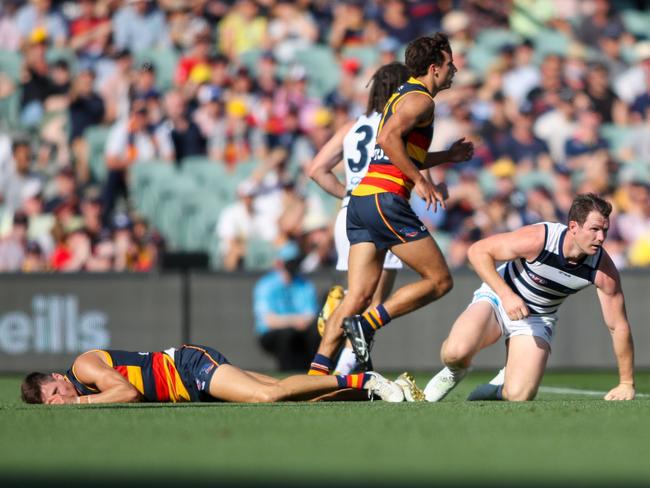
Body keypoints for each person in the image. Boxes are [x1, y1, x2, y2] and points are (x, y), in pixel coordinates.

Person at [307, 33, 474, 375]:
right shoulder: (422, 101)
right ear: (434, 68)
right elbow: (386, 139)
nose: (454, 69)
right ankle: (367, 325)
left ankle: (316, 373)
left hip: (361, 202)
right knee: (440, 281)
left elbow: (392, 151)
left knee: (356, 295)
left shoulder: (402, 95)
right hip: (387, 200)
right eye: (450, 63)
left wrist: (447, 156)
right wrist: (423, 181)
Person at [424, 193, 636, 402]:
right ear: (573, 227)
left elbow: (618, 326)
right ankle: (454, 371)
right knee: (455, 353)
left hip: (537, 318)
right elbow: (477, 251)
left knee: (519, 395)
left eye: (604, 230)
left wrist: (626, 383)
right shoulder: (539, 239)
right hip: (498, 299)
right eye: (595, 229)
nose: (601, 238)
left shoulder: (603, 269)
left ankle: (499, 385)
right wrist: (506, 296)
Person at [307, 61, 411, 374]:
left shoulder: (351, 126)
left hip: (350, 213)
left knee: (361, 295)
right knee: (376, 302)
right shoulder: (398, 123)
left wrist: (347, 193)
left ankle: (331, 360)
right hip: (383, 209)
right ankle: (344, 369)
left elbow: (316, 170)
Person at [20, 343, 405, 405]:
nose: (58, 400)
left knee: (267, 397)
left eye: (53, 391)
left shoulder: (82, 368)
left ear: (58, 376)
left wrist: (81, 402)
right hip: (188, 387)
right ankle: (372, 391)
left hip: (187, 368)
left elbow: (126, 392)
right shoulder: (78, 384)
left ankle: (364, 378)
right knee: (282, 389)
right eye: (50, 401)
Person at [253, 241, 320, 371]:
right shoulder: (266, 285)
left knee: (316, 334)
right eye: (290, 262)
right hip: (273, 334)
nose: (293, 265)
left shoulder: (305, 284)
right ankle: (287, 373)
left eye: (295, 261)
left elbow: (311, 315)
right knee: (287, 335)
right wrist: (295, 321)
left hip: (302, 331)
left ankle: (314, 372)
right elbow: (269, 321)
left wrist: (300, 322)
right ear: (279, 263)